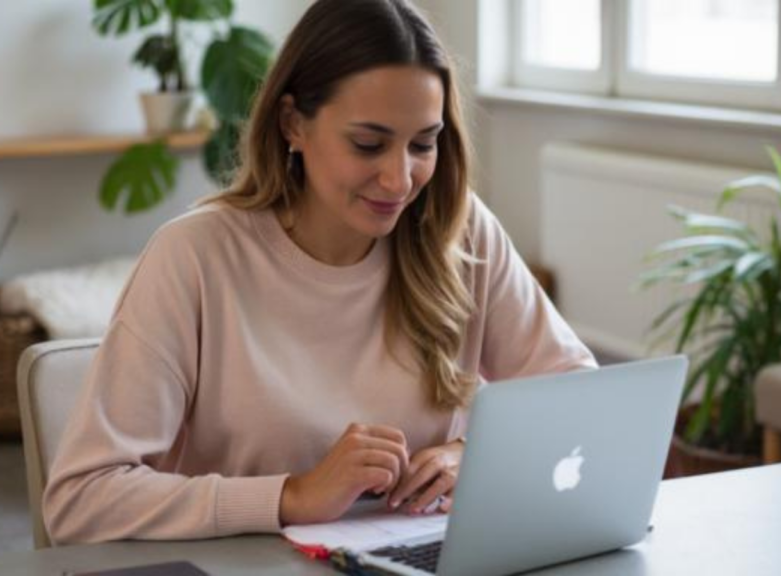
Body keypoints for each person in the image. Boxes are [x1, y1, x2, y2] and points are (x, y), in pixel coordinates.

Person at [44, 0, 596, 544]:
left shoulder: (458, 230)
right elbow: (80, 498)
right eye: (368, 144)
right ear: (292, 124)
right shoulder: (195, 256)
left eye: (423, 144)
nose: (400, 180)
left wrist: (474, 455)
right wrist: (290, 496)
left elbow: (582, 399)